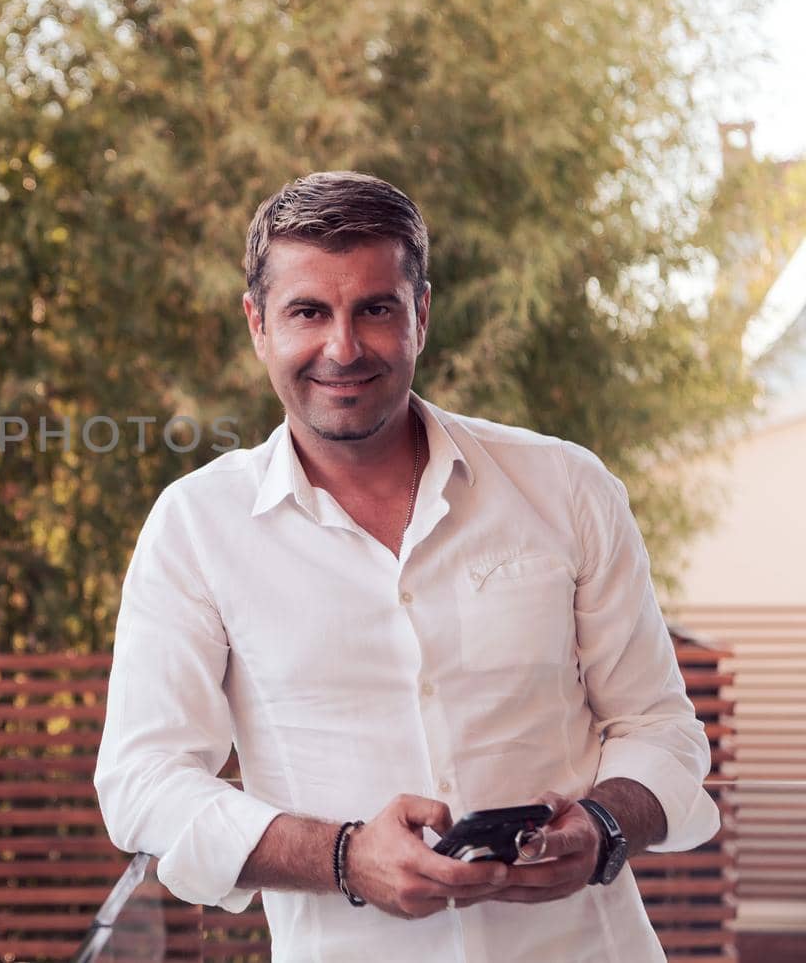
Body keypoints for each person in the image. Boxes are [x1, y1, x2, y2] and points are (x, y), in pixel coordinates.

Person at [92, 171, 721, 962]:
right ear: (258, 324)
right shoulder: (194, 528)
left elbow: (659, 727)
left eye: (376, 309)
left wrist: (603, 825)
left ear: (421, 313)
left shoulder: (567, 487)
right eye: (308, 312)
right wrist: (345, 856)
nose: (343, 347)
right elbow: (144, 780)